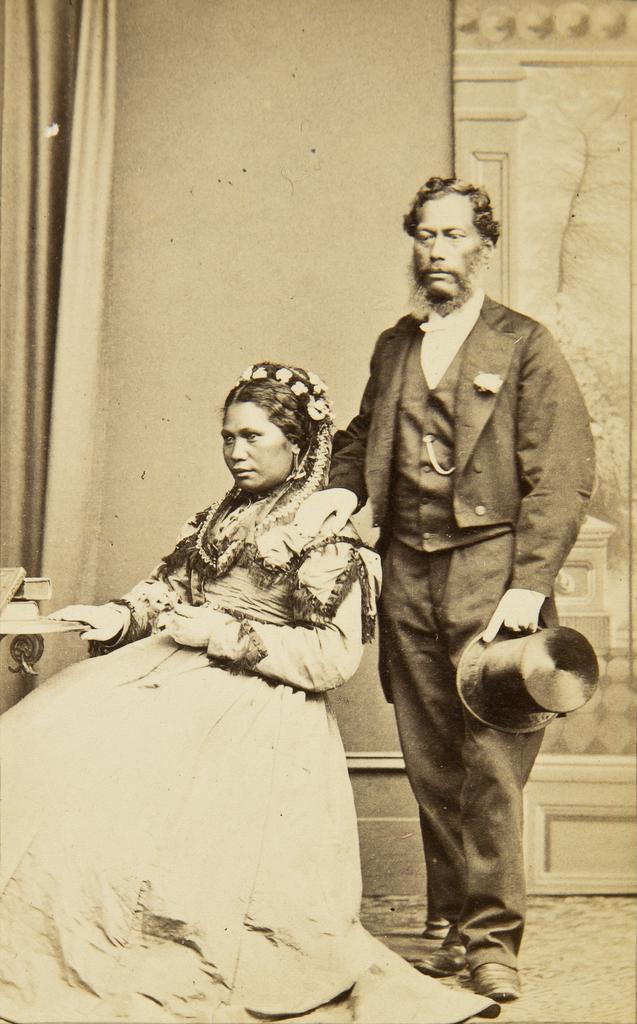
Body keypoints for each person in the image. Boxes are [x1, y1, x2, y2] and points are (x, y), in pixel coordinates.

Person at [0, 362, 498, 1024]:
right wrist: (117, 617)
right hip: (168, 671)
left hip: (258, 709)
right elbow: (172, 589)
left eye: (253, 437)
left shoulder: (323, 535)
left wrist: (221, 633)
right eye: (228, 437)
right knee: (41, 759)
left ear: (297, 443)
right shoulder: (222, 515)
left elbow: (331, 658)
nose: (236, 452)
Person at [296, 178, 595, 1003]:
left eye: (454, 236)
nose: (437, 251)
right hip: (407, 574)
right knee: (430, 760)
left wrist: (528, 584)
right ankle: (452, 925)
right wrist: (341, 492)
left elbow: (562, 473)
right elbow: (362, 438)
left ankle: (493, 942)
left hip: (491, 576)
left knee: (490, 763)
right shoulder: (395, 347)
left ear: (483, 248)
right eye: (425, 236)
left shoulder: (522, 344)